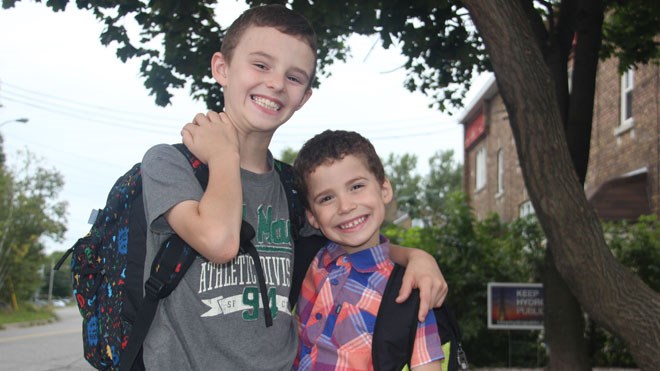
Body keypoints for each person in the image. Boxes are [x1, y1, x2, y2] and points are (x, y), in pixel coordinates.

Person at [141, 4, 447, 370]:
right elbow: (220, 242)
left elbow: (349, 247)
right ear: (221, 68)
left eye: (294, 77)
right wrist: (223, 155)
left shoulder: (290, 188)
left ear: (303, 97)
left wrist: (416, 257)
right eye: (261, 65)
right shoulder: (168, 164)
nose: (275, 83)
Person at [292, 130, 444, 370]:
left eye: (356, 186)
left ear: (384, 189)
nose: (346, 206)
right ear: (312, 217)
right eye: (326, 198)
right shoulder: (311, 259)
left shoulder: (408, 291)